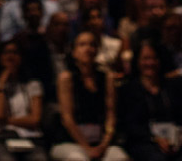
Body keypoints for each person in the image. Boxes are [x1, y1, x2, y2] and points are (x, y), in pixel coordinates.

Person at [52, 32, 129, 161]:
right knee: (78, 159)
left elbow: (111, 115)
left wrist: (104, 144)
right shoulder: (66, 78)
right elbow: (67, 119)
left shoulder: (107, 78)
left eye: (92, 45)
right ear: (74, 51)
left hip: (100, 141)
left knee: (119, 157)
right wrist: (86, 147)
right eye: (82, 45)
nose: (88, 49)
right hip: (71, 141)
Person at [120, 40, 182, 161]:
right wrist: (155, 139)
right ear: (138, 61)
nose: (150, 63)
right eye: (145, 59)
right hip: (145, 143)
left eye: (154, 58)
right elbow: (130, 126)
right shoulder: (129, 89)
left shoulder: (174, 86)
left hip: (177, 142)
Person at [0, 40, 47, 161]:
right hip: (0, 138)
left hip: (30, 137)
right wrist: (2, 84)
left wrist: (5, 120)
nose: (10, 56)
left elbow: (35, 120)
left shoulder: (32, 84)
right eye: (6, 52)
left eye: (14, 52)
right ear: (0, 57)